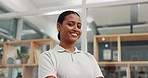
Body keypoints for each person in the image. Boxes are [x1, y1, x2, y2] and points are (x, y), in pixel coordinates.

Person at [38, 10, 104, 78]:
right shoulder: (48, 57)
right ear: (59, 27)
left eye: (79, 26)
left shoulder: (90, 58)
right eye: (70, 24)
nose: (76, 29)